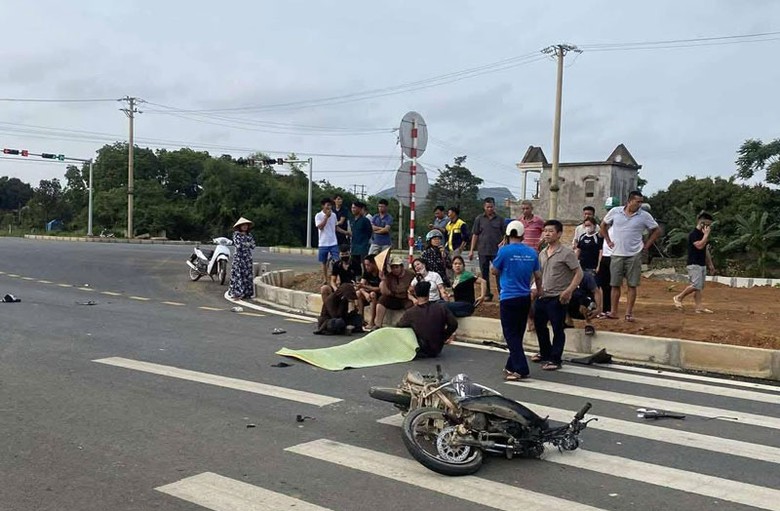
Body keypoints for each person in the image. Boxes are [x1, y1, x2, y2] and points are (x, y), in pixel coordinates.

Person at [491, 220, 543, 381]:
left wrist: (500, 254)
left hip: (508, 297)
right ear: (522, 235)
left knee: (510, 334)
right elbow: (538, 276)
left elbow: (494, 271)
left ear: (507, 234)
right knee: (518, 332)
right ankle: (511, 364)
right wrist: (539, 290)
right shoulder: (532, 252)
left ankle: (521, 368)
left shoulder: (504, 251)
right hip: (525, 297)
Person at [600, 191, 662, 322]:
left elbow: (656, 230)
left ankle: (628, 313)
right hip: (616, 253)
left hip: (634, 254)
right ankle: (614, 311)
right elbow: (603, 225)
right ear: (629, 201)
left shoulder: (644, 216)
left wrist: (647, 245)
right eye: (637, 201)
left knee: (632, 285)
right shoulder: (615, 212)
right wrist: (608, 240)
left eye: (641, 202)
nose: (640, 204)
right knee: (615, 284)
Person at [533, 220, 583, 371]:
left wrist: (568, 291)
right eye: (545, 231)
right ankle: (545, 353)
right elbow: (538, 275)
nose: (547, 234)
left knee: (557, 329)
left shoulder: (567, 253)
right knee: (540, 326)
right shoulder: (542, 253)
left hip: (558, 297)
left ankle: (555, 359)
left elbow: (578, 273)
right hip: (542, 296)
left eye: (550, 231)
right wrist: (536, 288)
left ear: (559, 234)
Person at [397, 280, 458, 358]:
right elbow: (453, 323)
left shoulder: (411, 312)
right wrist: (444, 337)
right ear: (428, 293)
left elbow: (399, 327)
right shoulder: (441, 308)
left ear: (415, 294)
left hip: (420, 349)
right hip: (437, 348)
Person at [674, 212, 716, 313]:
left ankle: (699, 306)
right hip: (694, 263)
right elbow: (699, 246)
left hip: (702, 264)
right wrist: (706, 235)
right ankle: (679, 297)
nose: (708, 227)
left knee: (699, 287)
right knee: (696, 285)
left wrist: (710, 264)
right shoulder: (693, 234)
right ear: (701, 223)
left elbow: (705, 250)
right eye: (707, 225)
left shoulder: (702, 234)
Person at [469, 197, 504, 301]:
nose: (490, 209)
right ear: (484, 207)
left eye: (491, 207)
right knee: (484, 273)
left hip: (496, 251)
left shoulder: (500, 219)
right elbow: (475, 234)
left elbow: (505, 235)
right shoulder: (479, 219)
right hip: (483, 250)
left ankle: (501, 293)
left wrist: (504, 244)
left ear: (494, 207)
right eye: (487, 207)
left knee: (498, 273)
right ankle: (487, 294)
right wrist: (471, 250)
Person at [374, 254, 415, 327]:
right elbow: (385, 292)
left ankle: (410, 325)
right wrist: (383, 280)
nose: (394, 270)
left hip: (406, 298)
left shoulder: (411, 275)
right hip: (394, 297)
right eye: (392, 268)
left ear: (401, 267)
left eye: (396, 267)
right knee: (382, 299)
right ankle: (378, 324)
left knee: (410, 305)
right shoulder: (389, 276)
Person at [574, 216, 603, 316]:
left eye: (589, 225)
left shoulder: (597, 237)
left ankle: (599, 308)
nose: (587, 227)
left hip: (593, 266)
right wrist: (574, 262)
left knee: (595, 287)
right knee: (582, 287)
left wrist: (599, 265)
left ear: (594, 226)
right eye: (585, 225)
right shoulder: (582, 237)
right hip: (582, 266)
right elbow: (578, 250)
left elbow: (600, 252)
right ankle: (586, 305)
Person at [228, 217, 256, 300]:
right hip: (239, 257)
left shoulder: (249, 235)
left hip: (247, 258)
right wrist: (247, 243)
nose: (245, 227)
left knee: (247, 274)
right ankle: (237, 292)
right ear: (239, 226)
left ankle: (247, 293)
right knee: (238, 274)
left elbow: (253, 245)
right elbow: (238, 245)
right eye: (243, 225)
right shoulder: (236, 234)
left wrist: (246, 243)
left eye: (246, 225)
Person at [315, 197, 339, 284]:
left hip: (333, 242)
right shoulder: (318, 215)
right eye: (327, 205)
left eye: (330, 205)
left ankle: (337, 278)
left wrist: (346, 232)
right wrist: (326, 217)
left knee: (337, 261)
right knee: (324, 262)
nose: (329, 207)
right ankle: (325, 279)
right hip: (323, 243)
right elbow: (320, 227)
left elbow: (336, 227)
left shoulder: (334, 215)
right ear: (323, 206)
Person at [357, 255, 382, 330]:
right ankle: (360, 319)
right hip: (368, 294)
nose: (366, 267)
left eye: (368, 265)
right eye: (365, 265)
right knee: (358, 293)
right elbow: (360, 286)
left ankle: (371, 322)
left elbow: (379, 289)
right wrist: (365, 293)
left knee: (372, 294)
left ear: (374, 264)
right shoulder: (366, 272)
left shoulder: (380, 273)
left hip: (378, 295)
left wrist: (365, 287)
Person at [349, 200, 373, 277]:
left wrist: (365, 241)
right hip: (354, 247)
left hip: (363, 246)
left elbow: (369, 232)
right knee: (355, 265)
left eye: (355, 208)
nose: (353, 209)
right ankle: (357, 279)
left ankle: (366, 279)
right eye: (352, 208)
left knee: (365, 264)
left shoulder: (365, 220)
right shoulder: (352, 220)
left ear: (359, 209)